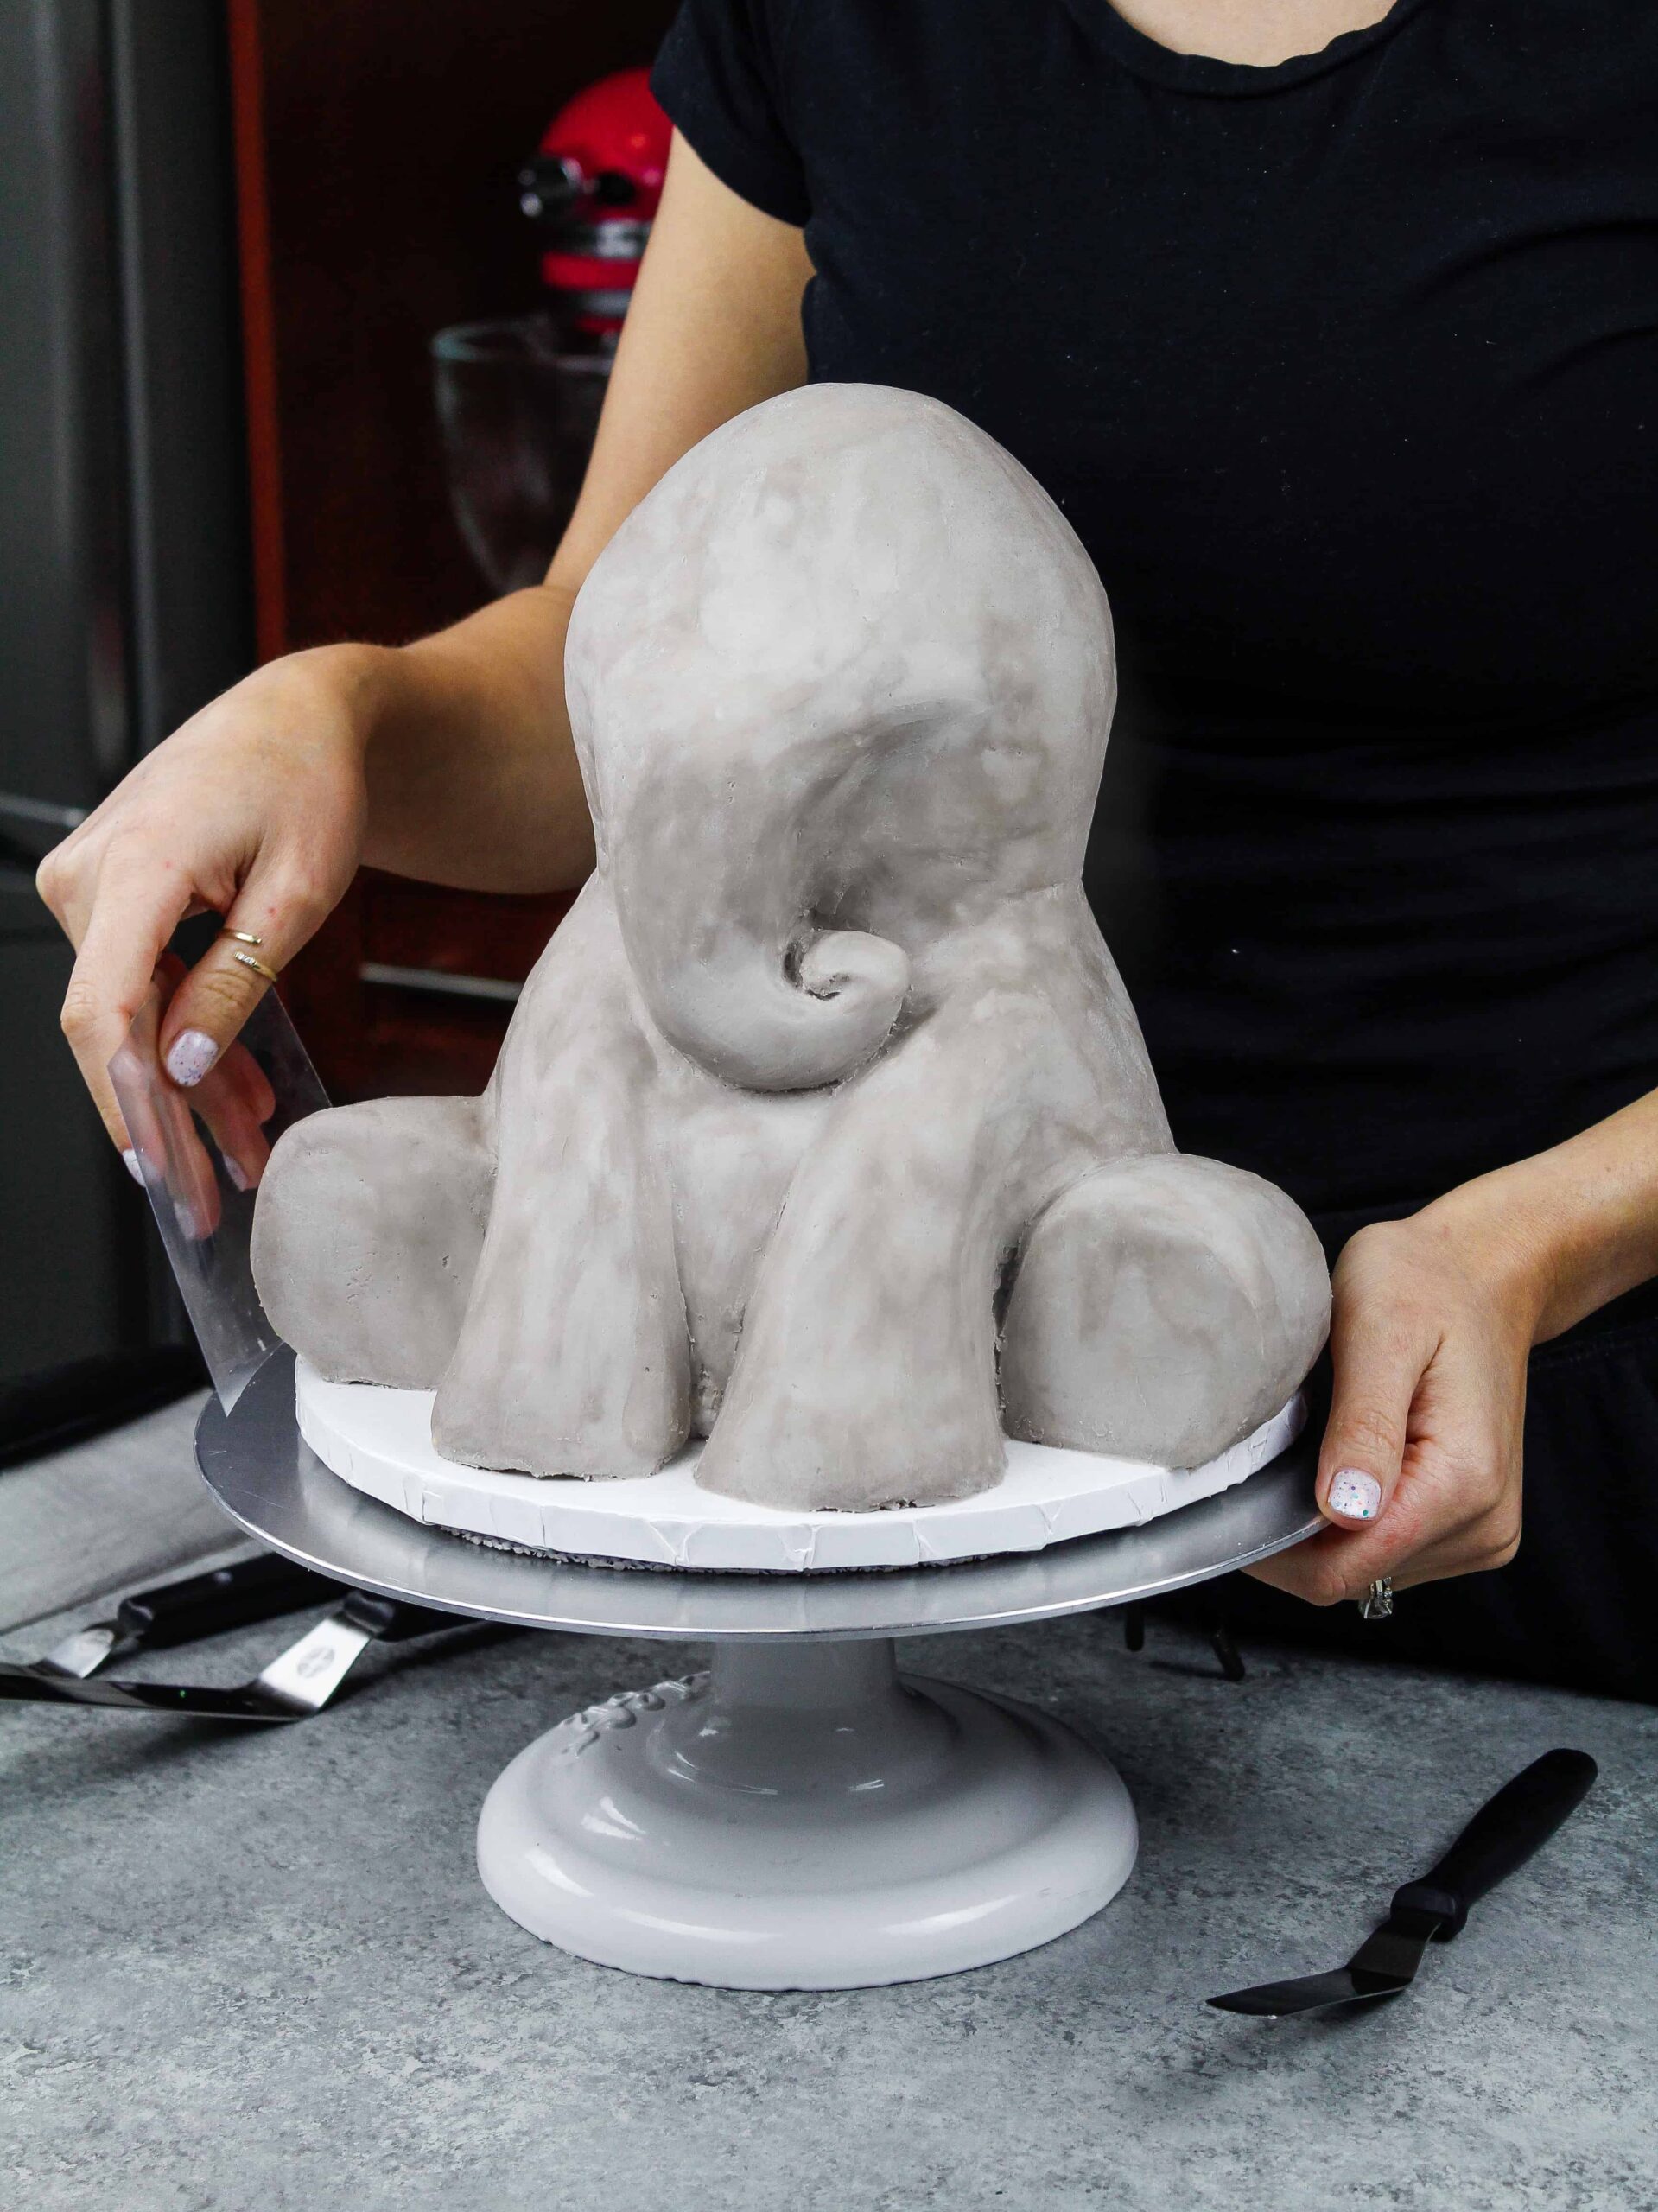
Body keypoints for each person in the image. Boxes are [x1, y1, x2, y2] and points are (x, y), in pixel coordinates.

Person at [37, 0, 1658, 1696]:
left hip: (1539, 1418)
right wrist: (338, 719)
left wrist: (1531, 1247)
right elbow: (624, 667)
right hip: (918, 1520)